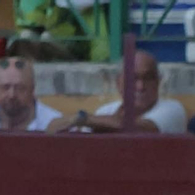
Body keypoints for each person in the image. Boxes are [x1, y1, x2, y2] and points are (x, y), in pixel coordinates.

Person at [48, 51, 186, 134]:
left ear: (158, 81)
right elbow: (53, 128)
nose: (140, 86)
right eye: (133, 78)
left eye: (148, 78)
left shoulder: (172, 109)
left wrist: (84, 119)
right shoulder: (106, 111)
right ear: (119, 83)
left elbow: (137, 128)